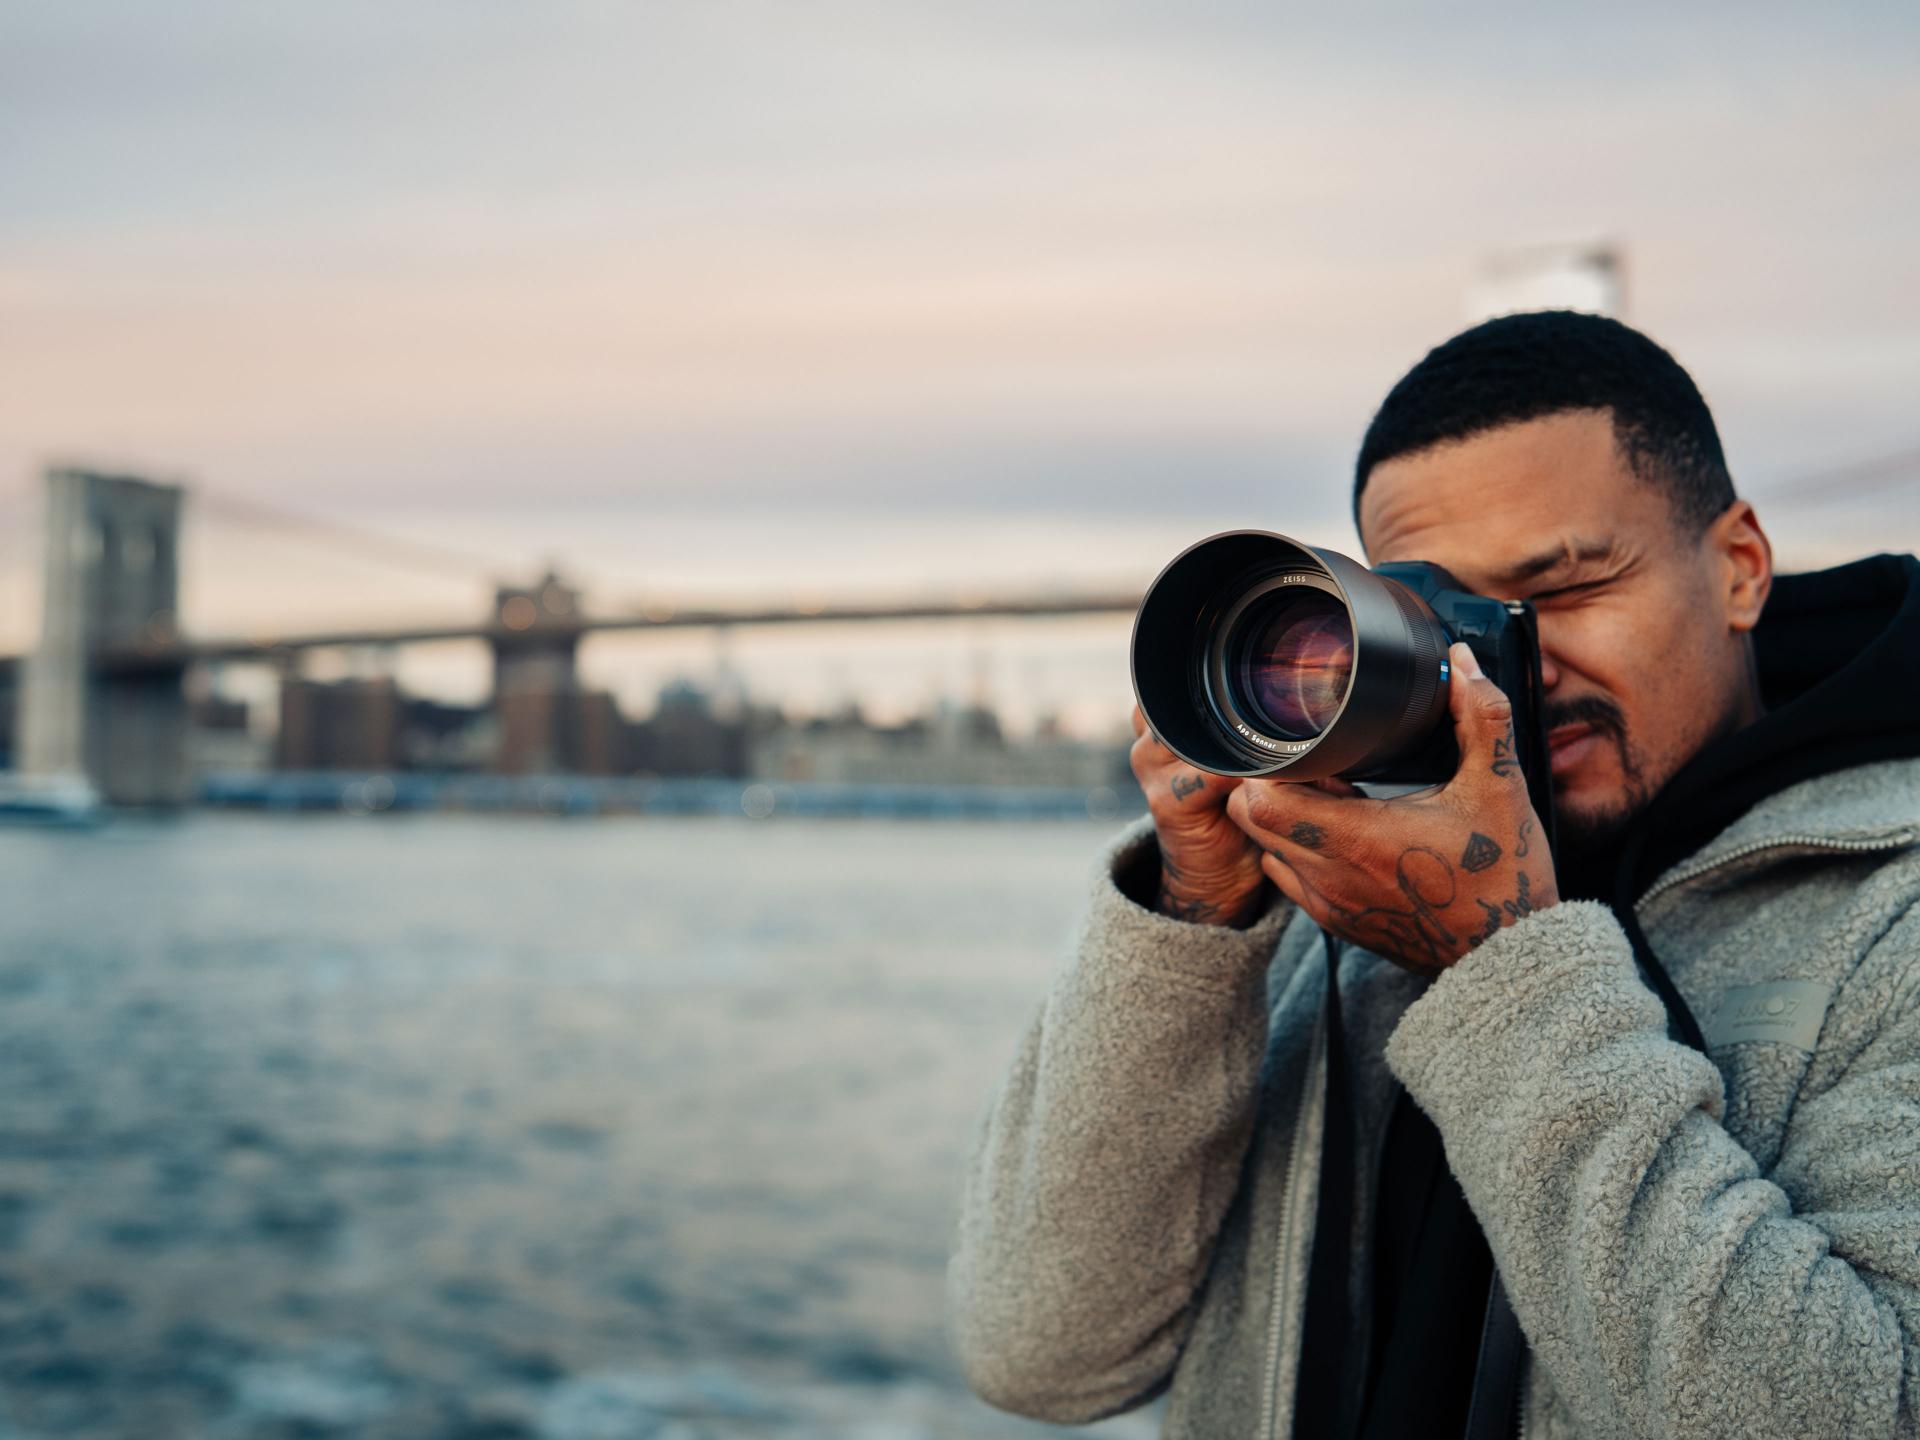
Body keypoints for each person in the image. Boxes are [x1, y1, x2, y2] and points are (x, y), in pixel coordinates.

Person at [945, 309, 1920, 1440]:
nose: (1504, 666)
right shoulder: (1347, 897)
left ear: (1740, 568)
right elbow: (1041, 1355)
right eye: (1438, 615)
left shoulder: (1890, 906)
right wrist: (1197, 914)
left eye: (1565, 588)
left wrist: (1498, 962)